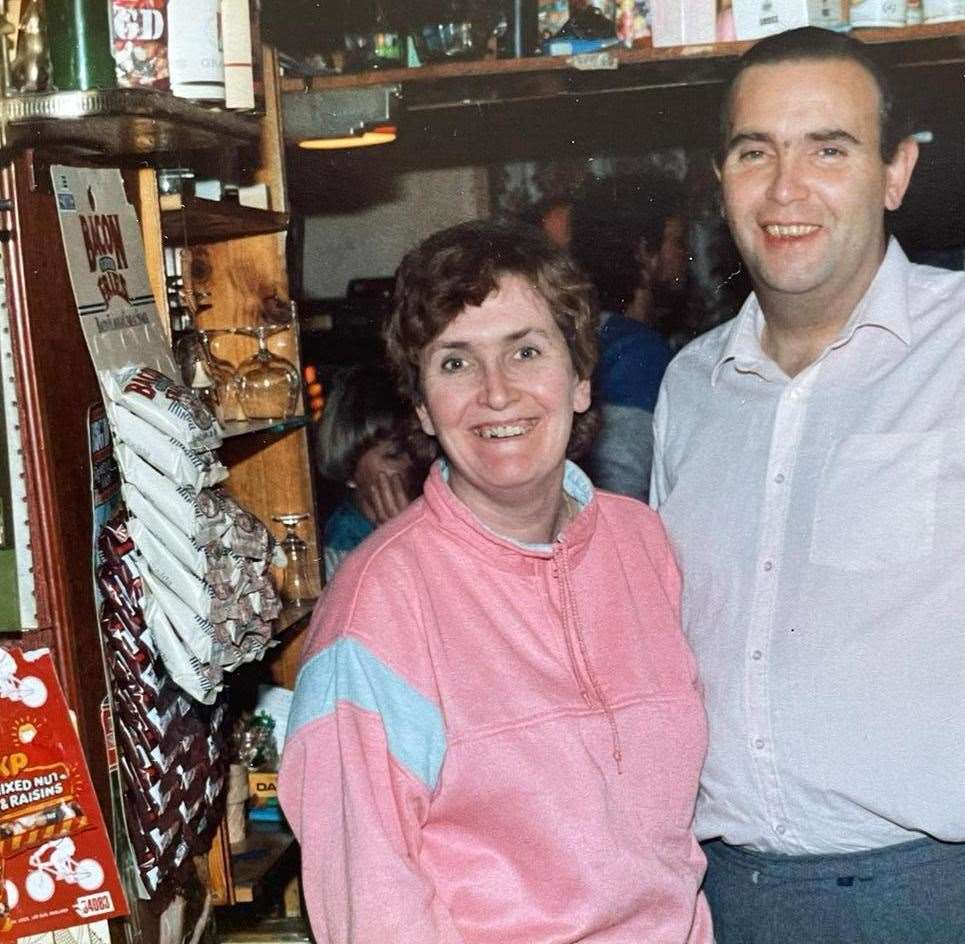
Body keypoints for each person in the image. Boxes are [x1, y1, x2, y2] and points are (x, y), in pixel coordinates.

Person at [650, 27, 965, 944]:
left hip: (949, 901)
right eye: (756, 152)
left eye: (828, 150)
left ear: (896, 172)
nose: (786, 188)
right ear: (721, 179)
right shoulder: (691, 386)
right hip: (721, 901)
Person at [281, 220, 713, 944]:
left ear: (579, 380)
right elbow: (373, 910)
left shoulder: (644, 549)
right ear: (420, 405)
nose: (497, 393)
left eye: (526, 351)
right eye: (455, 363)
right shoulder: (378, 605)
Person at [570, 173, 687, 499]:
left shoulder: (590, 334)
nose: (685, 256)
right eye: (677, 242)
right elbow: (623, 488)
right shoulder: (638, 353)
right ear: (645, 252)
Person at [314, 366, 434, 580]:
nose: (410, 463)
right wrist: (402, 543)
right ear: (350, 468)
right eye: (394, 454)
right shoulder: (342, 547)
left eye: (416, 448)